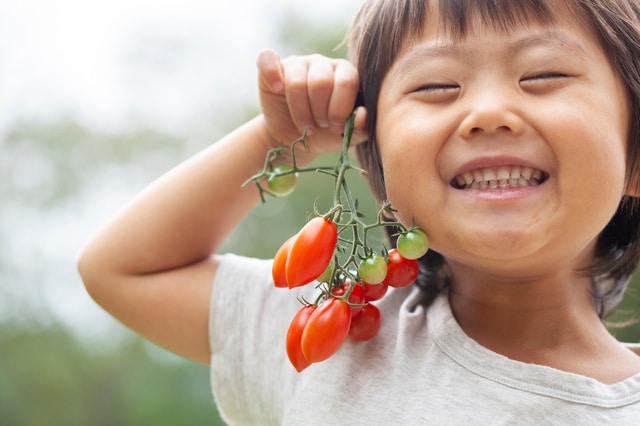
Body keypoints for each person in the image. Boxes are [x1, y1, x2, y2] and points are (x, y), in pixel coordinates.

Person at [77, 0, 640, 423]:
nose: (488, 112)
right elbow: (120, 270)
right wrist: (280, 138)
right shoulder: (334, 337)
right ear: (379, 166)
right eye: (436, 85)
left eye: (544, 76)